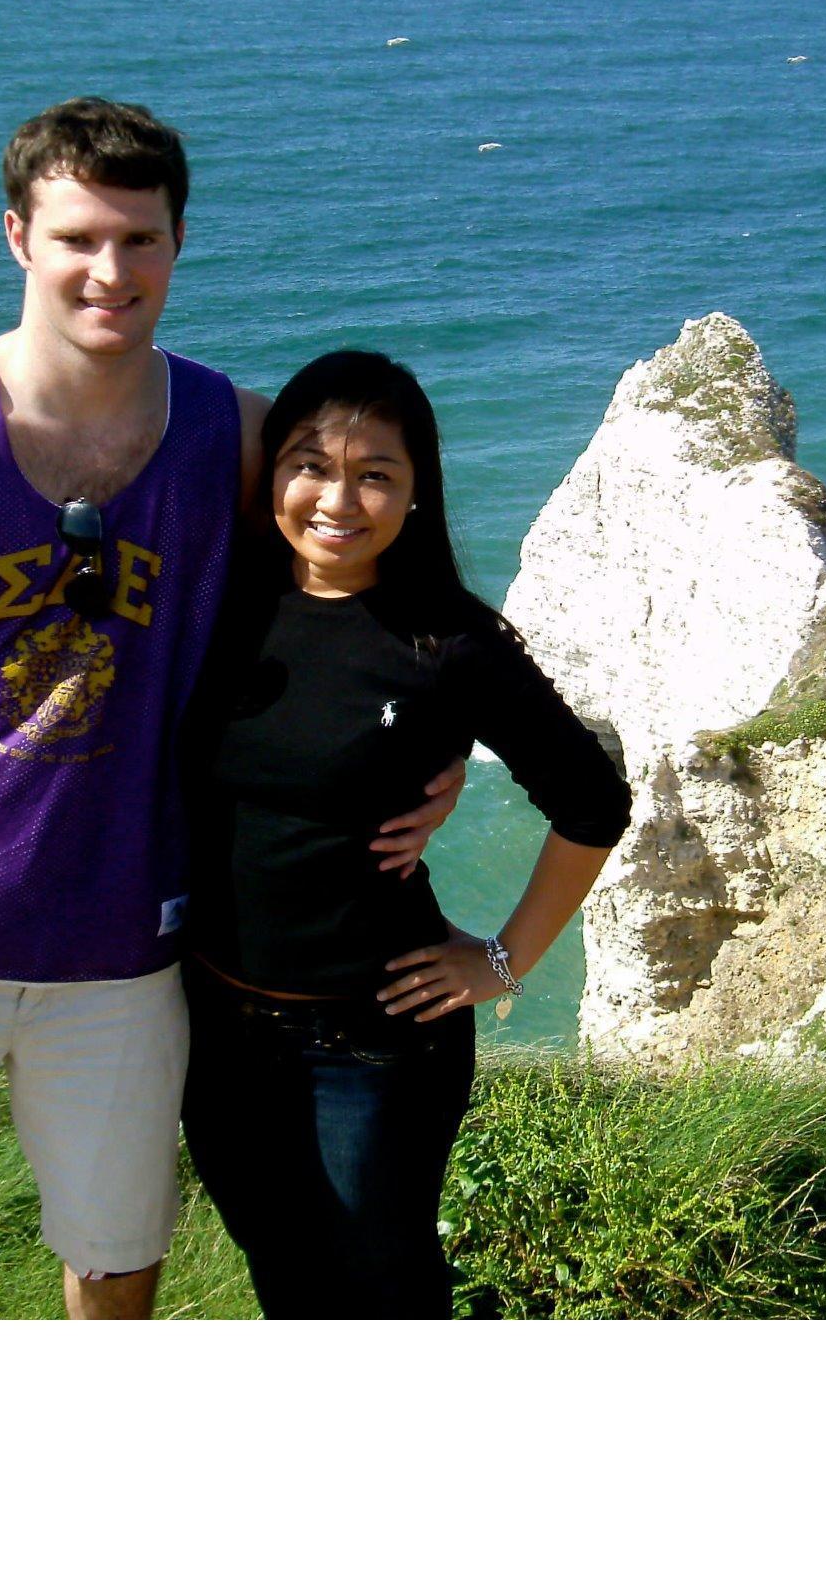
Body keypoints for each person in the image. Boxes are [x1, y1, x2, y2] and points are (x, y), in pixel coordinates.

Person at [0, 99, 461, 1320]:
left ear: (178, 244)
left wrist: (434, 747)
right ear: (17, 237)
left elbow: (362, 589)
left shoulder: (232, 435)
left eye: (140, 239)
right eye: (80, 235)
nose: (110, 269)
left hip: (132, 947)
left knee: (114, 1259)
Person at [177, 351, 632, 1319]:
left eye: (374, 471)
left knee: (381, 1288)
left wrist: (502, 960)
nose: (337, 497)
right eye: (308, 462)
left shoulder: (448, 640)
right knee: (280, 1267)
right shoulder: (222, 601)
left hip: (369, 1039)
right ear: (271, 477)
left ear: (416, 490)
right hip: (212, 1024)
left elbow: (592, 801)